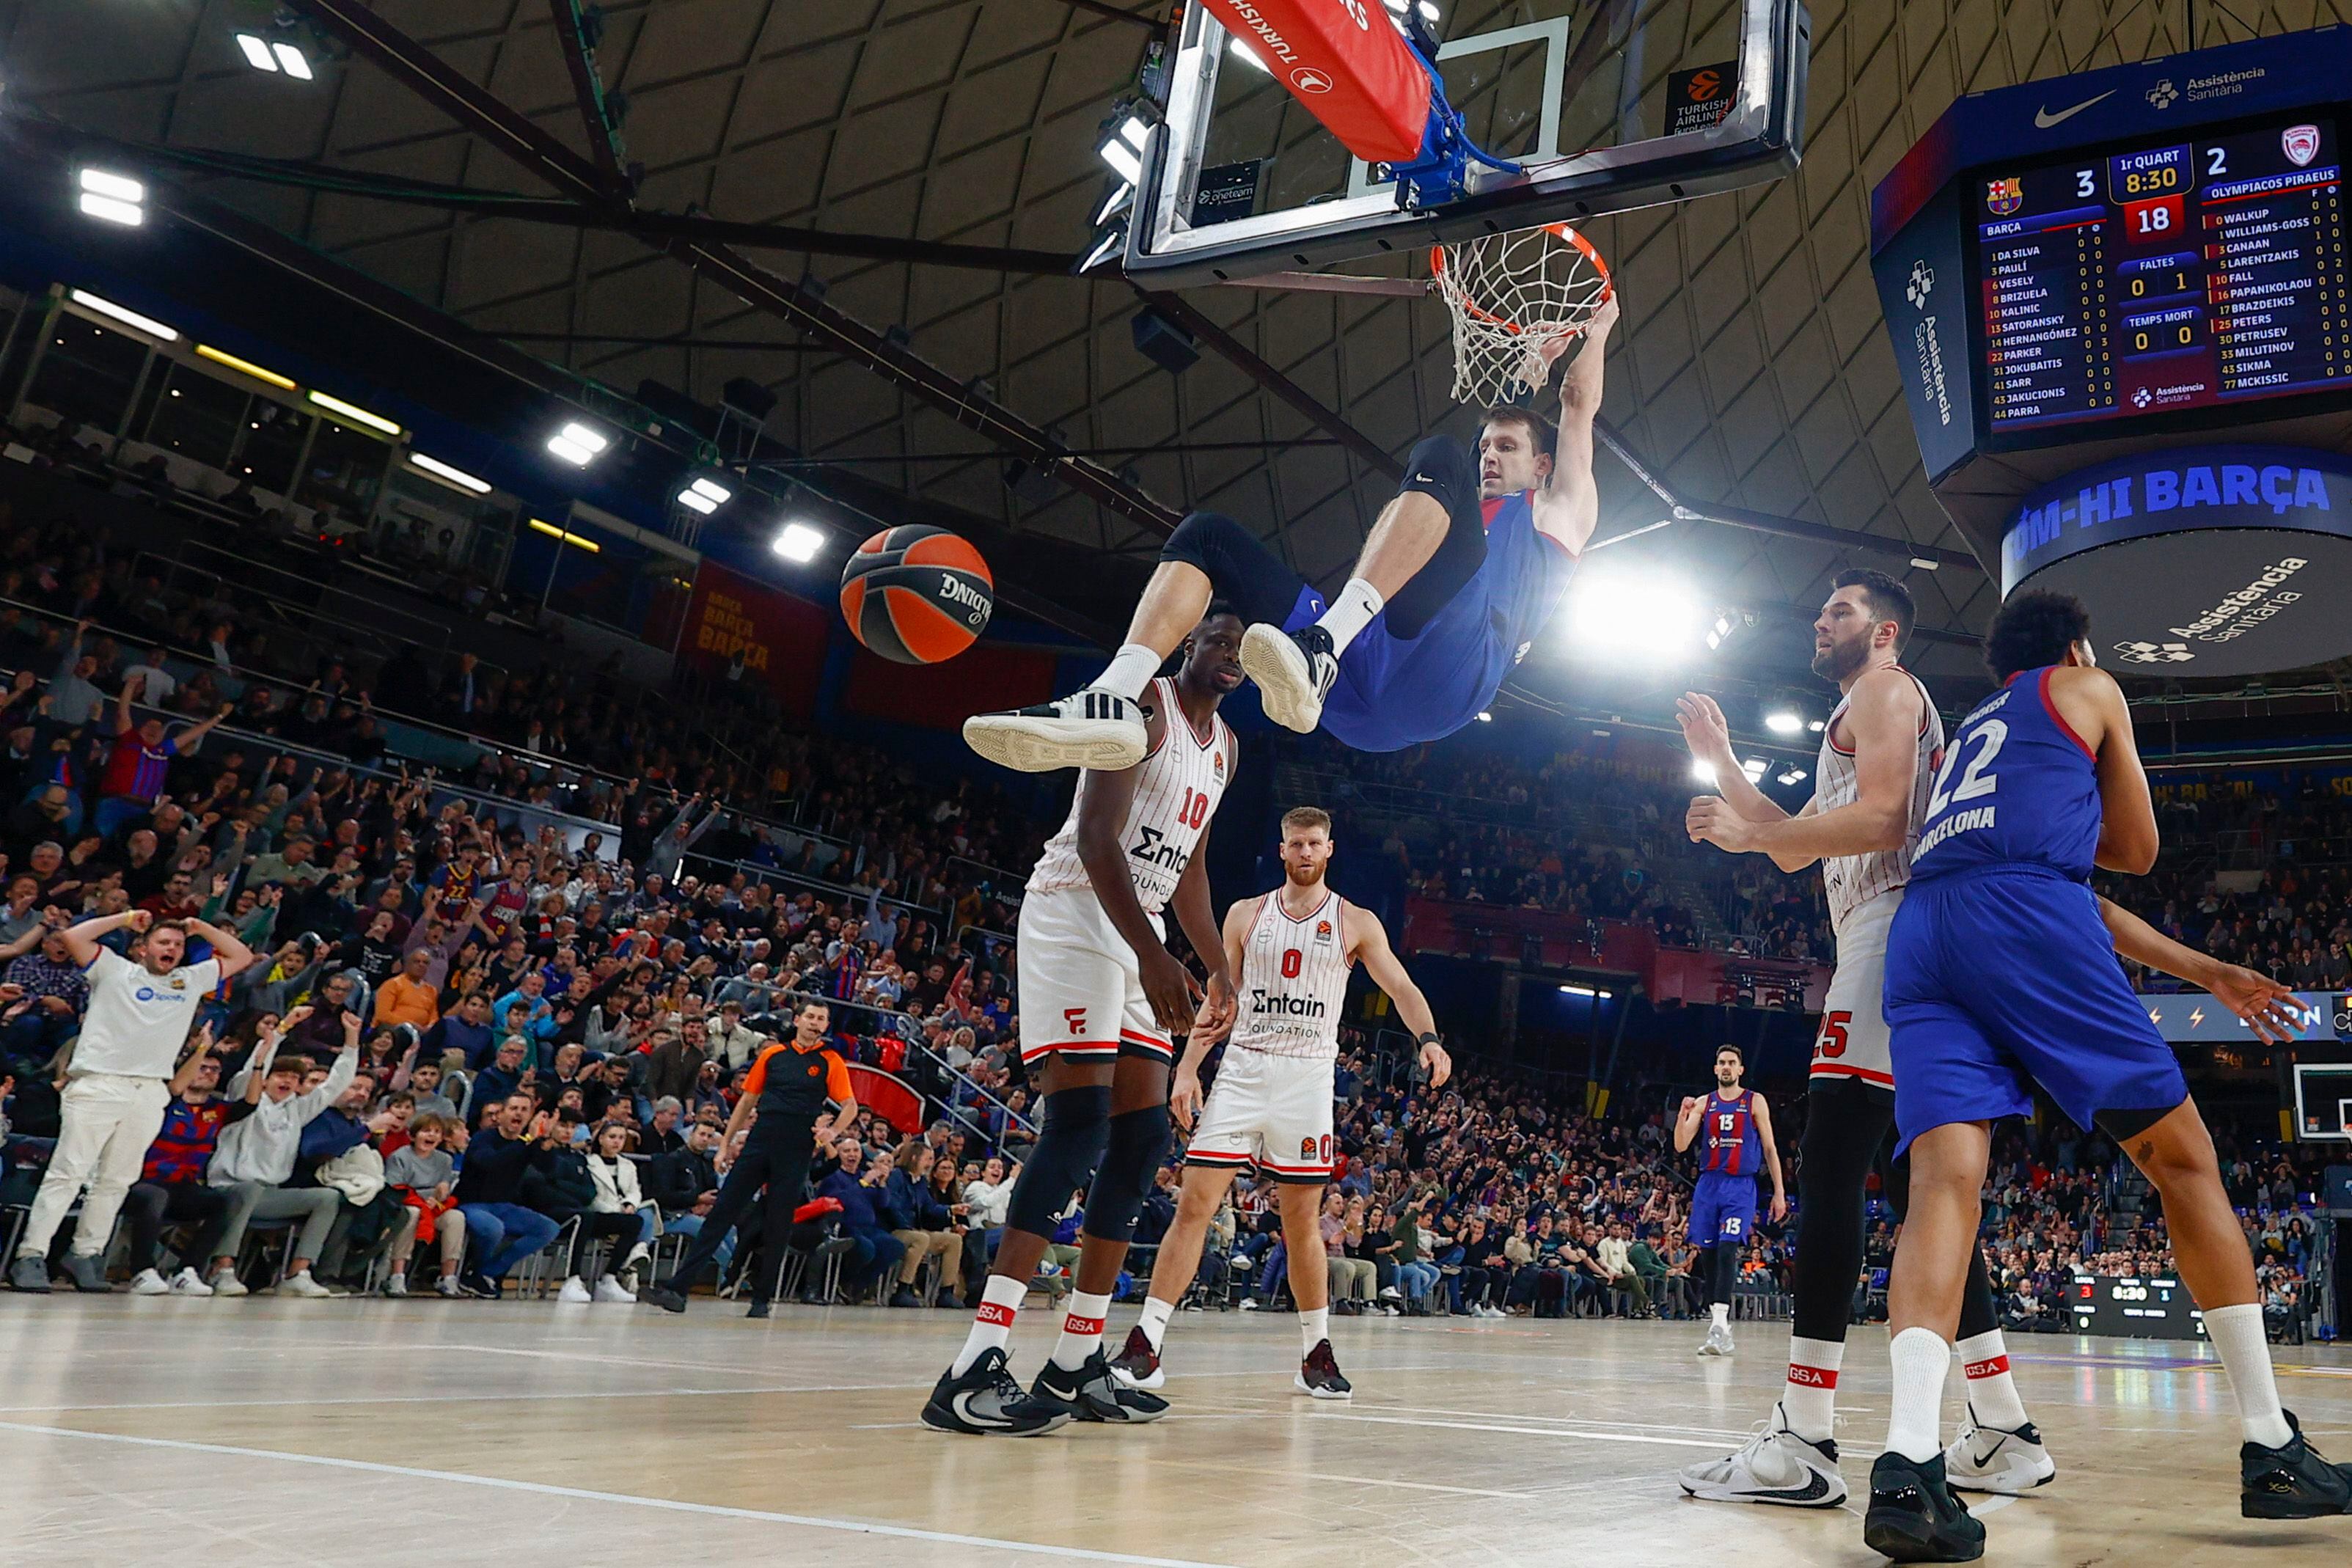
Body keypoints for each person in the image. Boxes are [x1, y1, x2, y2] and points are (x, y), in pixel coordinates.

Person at [1860, 590, 2352, 1559]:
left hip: (1924, 935)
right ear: (2074, 646)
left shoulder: (1967, 738)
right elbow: (2130, 852)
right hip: (2022, 922)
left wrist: (2206, 970)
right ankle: (2268, 1443)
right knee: (2183, 1163)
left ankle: (1906, 1464)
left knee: (1941, 1188)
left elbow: (2044, 880)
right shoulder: (2085, 685)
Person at [1677, 570, 2052, 1507]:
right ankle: (2002, 1424)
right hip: (1908, 932)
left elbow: (1882, 818)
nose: (1820, 617)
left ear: (1884, 631)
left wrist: (1745, 837)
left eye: (1839, 609)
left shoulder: (1883, 689)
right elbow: (1801, 843)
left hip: (1891, 927)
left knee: (1835, 1161)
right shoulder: (1862, 708)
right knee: (1923, 1189)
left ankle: (1805, 1435)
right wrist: (1727, 768)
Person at [964, 296, 1617, 772]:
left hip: (1445, 678)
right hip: (1359, 693)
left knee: (1438, 453)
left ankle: (1321, 646)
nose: (1489, 456)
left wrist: (1600, 323)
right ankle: (1113, 693)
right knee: (1205, 536)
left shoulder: (1554, 517)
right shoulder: (1449, 513)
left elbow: (1578, 403)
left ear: (1541, 467)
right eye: (1488, 446)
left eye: (1505, 447)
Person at [922, 609, 1242, 1437]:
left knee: (1141, 1140)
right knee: (1076, 1125)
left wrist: (1216, 966)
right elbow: (1100, 841)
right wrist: (1153, 956)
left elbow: (1193, 869)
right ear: (1188, 647)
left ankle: (1075, 1356)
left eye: (1246, 648)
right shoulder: (1140, 707)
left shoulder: (1228, 748)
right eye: (1221, 641)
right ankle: (973, 1362)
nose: (1234, 657)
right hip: (1079, 906)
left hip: (1145, 928)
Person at [1109, 805, 1448, 1401]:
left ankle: (1315, 1351)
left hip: (1306, 1081)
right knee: (1194, 1206)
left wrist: (1428, 1039)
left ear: (1329, 848)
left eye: (1314, 843)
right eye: (1295, 844)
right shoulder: (1245, 914)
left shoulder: (1355, 921)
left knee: (1301, 1224)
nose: (1305, 853)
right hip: (1242, 1071)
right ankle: (1146, 1342)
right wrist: (1187, 1068)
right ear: (1283, 848)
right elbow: (1219, 1000)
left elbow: (1400, 986)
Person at [10, 909, 253, 1292]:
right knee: (69, 1173)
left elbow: (242, 957)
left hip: (149, 1089)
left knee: (117, 1180)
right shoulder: (115, 970)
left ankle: (87, 1253)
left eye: (177, 944)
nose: (171, 948)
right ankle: (31, 1253)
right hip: (99, 1083)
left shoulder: (188, 980)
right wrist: (123, 918)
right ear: (143, 949)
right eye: (163, 942)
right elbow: (74, 937)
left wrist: (200, 927)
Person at [638, 1000, 857, 1316]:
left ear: (826, 1026)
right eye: (810, 1016)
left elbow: (849, 1105)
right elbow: (747, 1101)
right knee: (721, 1213)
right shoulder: (773, 1055)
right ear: (797, 1020)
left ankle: (762, 1300)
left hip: (796, 1146)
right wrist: (726, 1144)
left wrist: (833, 1132)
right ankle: (677, 1289)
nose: (815, 1023)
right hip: (761, 1138)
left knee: (779, 1223)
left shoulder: (829, 1060)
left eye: (821, 1019)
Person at [207, 1011, 362, 1297]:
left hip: (269, 1193)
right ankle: (223, 1268)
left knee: (327, 1198)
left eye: (294, 1077)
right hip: (228, 1189)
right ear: (266, 1078)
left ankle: (298, 1272)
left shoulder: (297, 1109)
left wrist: (352, 1039)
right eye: (281, 1074)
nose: (287, 1081)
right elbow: (255, 1065)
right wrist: (284, 1028)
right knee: (249, 1190)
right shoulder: (245, 1098)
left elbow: (337, 1083)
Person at [1672, 1044, 1785, 1358]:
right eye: (1721, 1062)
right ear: (1715, 1069)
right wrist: (1682, 1117)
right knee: (1708, 1257)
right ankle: (1720, 1326)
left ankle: (1719, 1326)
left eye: (1731, 1063)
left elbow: (1771, 1148)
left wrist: (1778, 1191)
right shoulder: (1704, 1103)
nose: (1725, 1067)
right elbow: (1681, 1145)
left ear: (1740, 1070)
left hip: (1740, 1187)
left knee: (1727, 1250)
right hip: (1709, 1184)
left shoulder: (1754, 1101)